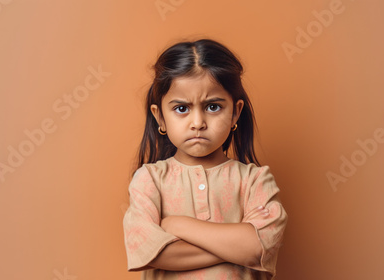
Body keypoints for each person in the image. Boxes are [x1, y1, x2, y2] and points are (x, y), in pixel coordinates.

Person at [123, 38, 288, 279]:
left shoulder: (255, 180)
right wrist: (236, 247)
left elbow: (257, 248)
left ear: (235, 113)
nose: (198, 123)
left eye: (213, 107)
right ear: (160, 117)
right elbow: (153, 254)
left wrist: (177, 225)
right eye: (182, 108)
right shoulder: (149, 181)